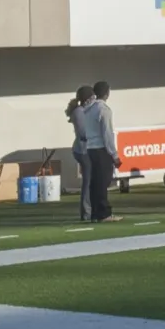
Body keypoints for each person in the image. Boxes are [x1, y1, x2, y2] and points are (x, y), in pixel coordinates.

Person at [80, 81, 122, 223]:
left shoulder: (87, 109)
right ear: (106, 93)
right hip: (100, 149)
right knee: (103, 182)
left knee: (94, 183)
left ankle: (95, 213)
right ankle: (104, 213)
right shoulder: (103, 109)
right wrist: (114, 155)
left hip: (89, 148)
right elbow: (107, 134)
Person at [66, 85, 93, 221]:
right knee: (88, 182)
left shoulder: (82, 111)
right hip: (82, 150)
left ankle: (88, 210)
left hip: (83, 149)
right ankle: (86, 212)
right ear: (87, 99)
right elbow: (84, 133)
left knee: (90, 180)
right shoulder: (80, 112)